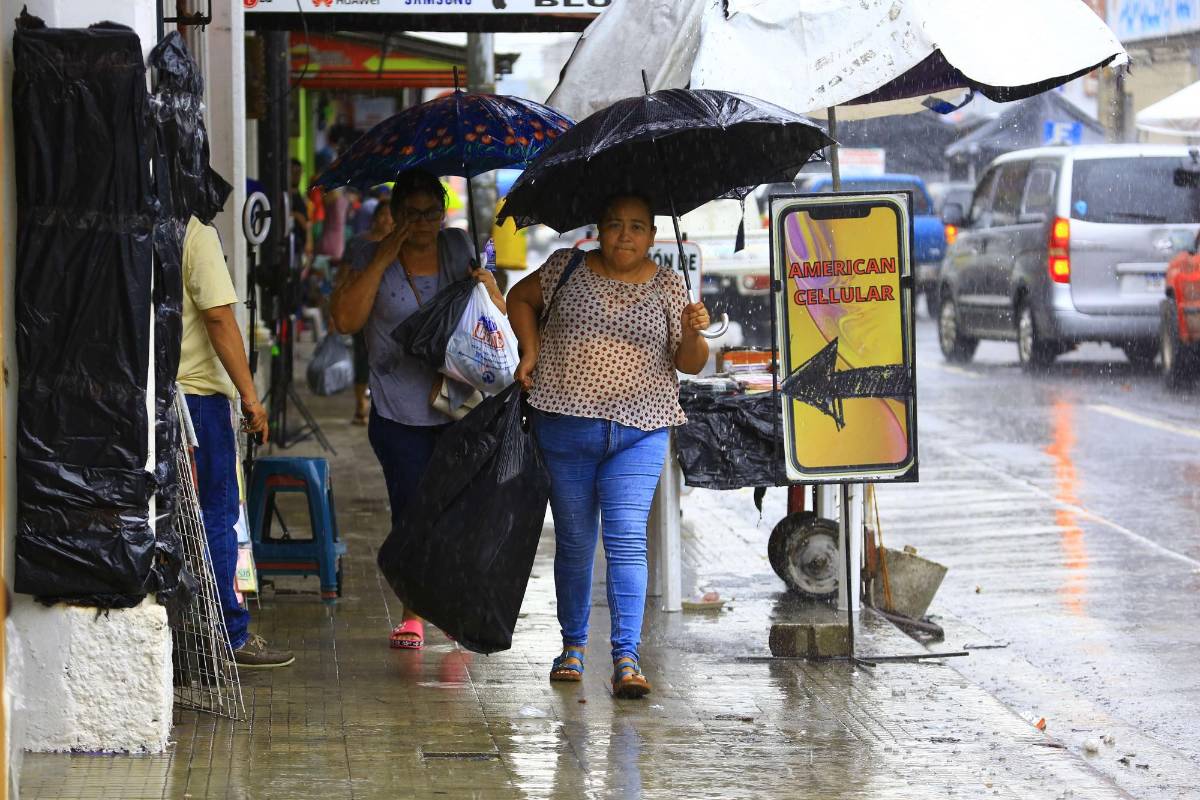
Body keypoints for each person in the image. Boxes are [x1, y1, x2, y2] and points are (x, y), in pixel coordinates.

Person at [507, 194, 711, 699]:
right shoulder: (565, 267)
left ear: (653, 235)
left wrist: (692, 331)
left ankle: (626, 657)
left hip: (640, 431)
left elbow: (690, 363)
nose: (625, 235)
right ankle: (573, 646)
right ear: (598, 228)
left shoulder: (670, 287)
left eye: (637, 227)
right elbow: (518, 298)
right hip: (564, 426)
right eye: (616, 224)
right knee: (575, 541)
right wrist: (530, 350)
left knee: (624, 539)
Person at [330, 169, 505, 649]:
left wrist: (487, 287)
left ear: (444, 212)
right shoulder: (369, 255)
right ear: (396, 213)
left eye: (432, 213)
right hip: (396, 408)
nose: (423, 223)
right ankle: (413, 613)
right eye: (412, 214)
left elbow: (495, 321)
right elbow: (345, 319)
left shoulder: (458, 248)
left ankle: (448, 606)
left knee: (456, 510)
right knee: (411, 512)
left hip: (458, 404)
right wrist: (389, 248)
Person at [178, 215, 294, 669]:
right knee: (215, 514)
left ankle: (194, 632)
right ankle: (227, 633)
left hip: (157, 395)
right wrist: (250, 396)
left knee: (179, 521)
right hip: (199, 400)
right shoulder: (195, 234)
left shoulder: (141, 222)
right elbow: (219, 316)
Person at [339, 201, 394, 425]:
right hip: (361, 308)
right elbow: (343, 275)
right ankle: (361, 402)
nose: (386, 220)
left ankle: (382, 402)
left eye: (390, 216)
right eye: (382, 215)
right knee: (362, 357)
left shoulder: (402, 245)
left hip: (387, 312)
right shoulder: (359, 243)